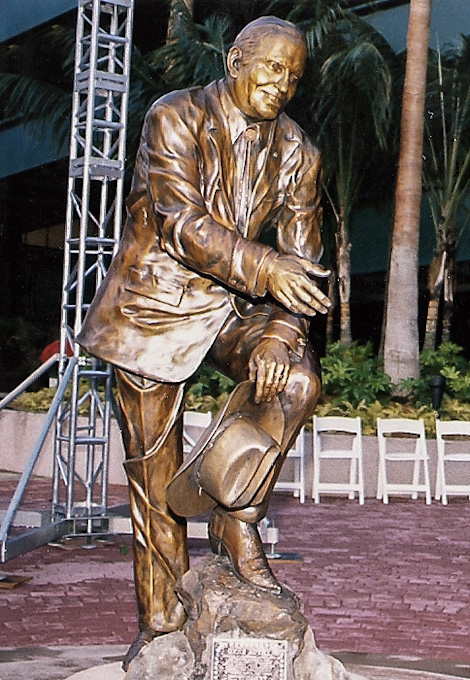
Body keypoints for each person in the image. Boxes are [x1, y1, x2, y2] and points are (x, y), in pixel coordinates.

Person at [77, 15, 330, 670]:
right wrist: (269, 269)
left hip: (234, 306)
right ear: (237, 58)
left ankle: (236, 520)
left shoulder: (300, 151)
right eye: (272, 67)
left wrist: (279, 331)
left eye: (294, 76)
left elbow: (303, 259)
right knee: (154, 472)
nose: (282, 85)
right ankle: (160, 622)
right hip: (156, 303)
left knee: (297, 381)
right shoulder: (175, 116)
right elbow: (180, 223)